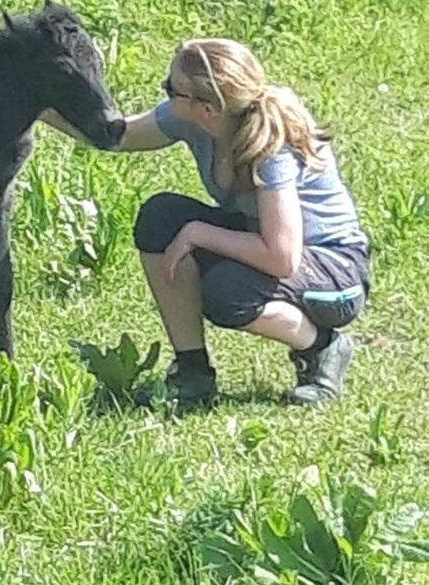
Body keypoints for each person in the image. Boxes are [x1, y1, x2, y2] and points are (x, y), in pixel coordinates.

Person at [117, 37, 369, 408]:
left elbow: (282, 257)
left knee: (228, 292)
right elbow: (117, 136)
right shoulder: (194, 118)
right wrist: (36, 104)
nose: (165, 93)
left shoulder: (270, 147)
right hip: (266, 242)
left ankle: (323, 346)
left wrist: (199, 233)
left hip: (335, 269)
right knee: (160, 218)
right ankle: (192, 372)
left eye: (171, 88)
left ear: (208, 108)